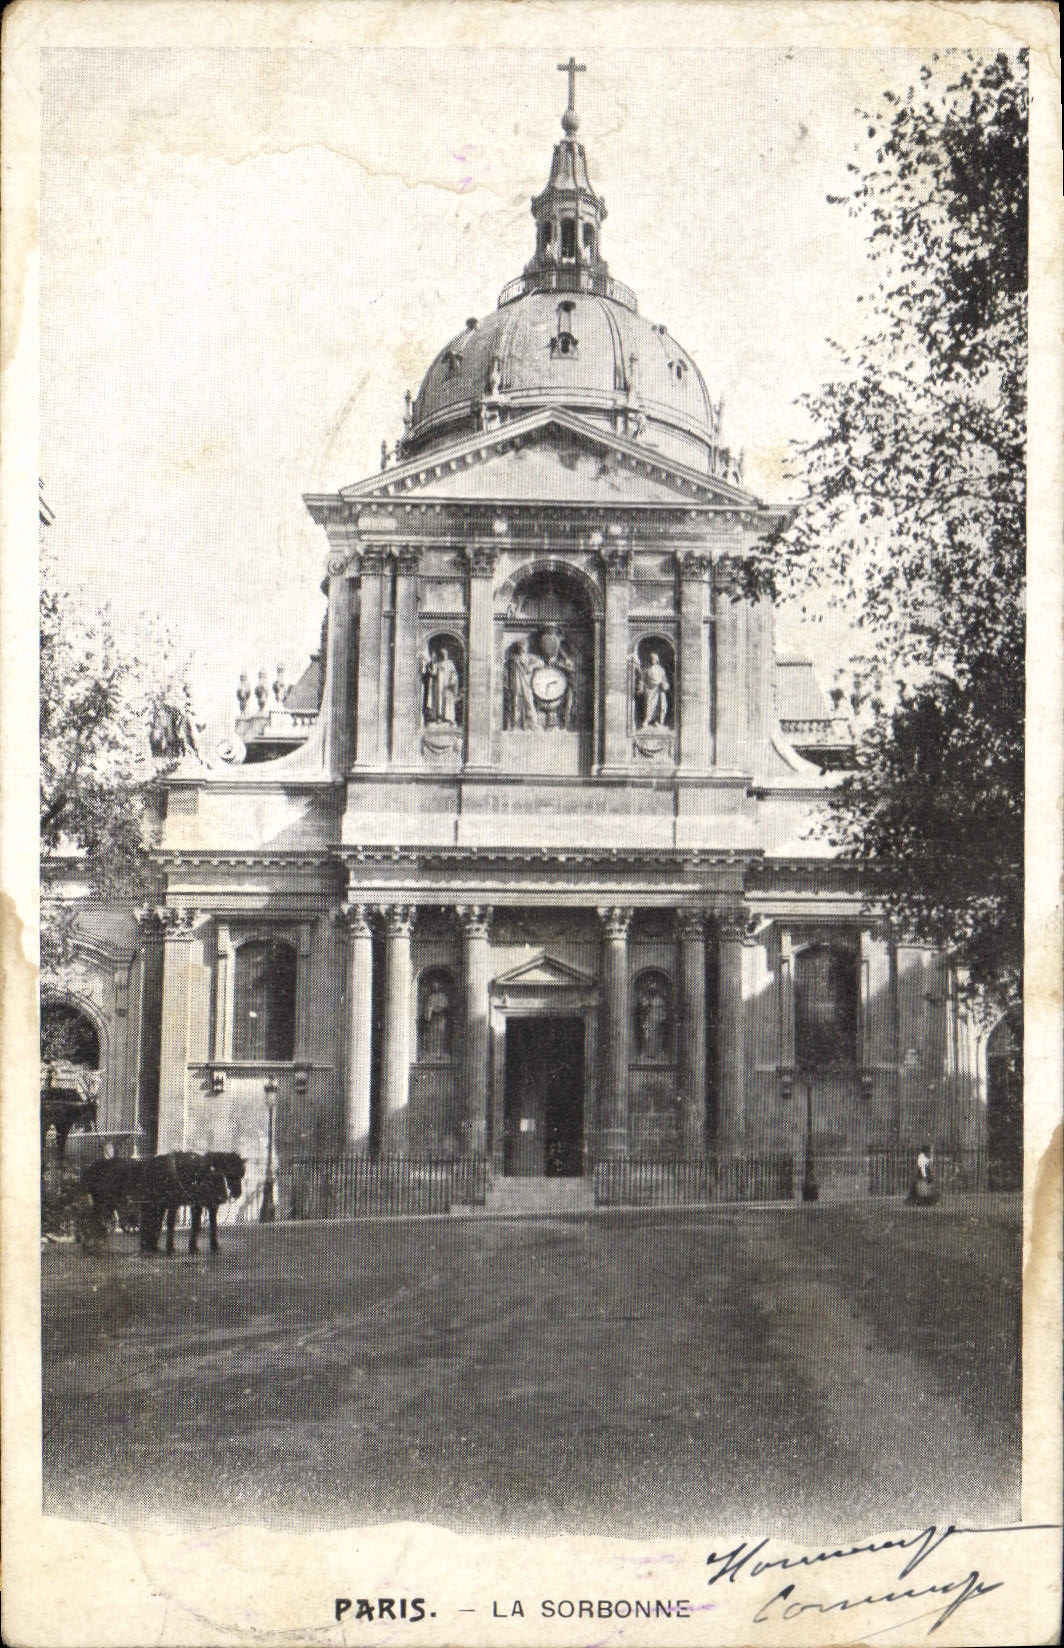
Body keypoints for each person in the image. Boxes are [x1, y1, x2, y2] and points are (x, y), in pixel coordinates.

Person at [505, 636, 542, 729]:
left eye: (524, 646)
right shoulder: (514, 659)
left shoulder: (530, 657)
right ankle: (514, 725)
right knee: (515, 704)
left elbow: (541, 663)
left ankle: (533, 724)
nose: (523, 648)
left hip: (527, 684)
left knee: (529, 703)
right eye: (521, 646)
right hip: (516, 685)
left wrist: (532, 666)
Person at [423, 644, 460, 724]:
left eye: (444, 654)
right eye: (442, 654)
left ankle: (448, 718)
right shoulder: (438, 664)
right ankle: (439, 717)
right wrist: (430, 670)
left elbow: (454, 674)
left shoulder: (450, 664)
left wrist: (452, 681)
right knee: (439, 700)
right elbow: (434, 673)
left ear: (447, 655)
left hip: (447, 686)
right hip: (438, 685)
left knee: (447, 701)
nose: (443, 655)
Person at [636, 650, 670, 728]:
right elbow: (642, 680)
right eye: (652, 658)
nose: (653, 660)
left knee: (661, 705)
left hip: (659, 690)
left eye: (655, 659)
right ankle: (647, 721)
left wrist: (665, 685)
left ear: (657, 660)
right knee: (649, 706)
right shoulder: (647, 670)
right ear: (650, 659)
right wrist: (641, 688)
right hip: (650, 690)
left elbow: (664, 680)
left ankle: (659, 722)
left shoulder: (661, 670)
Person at [907, 1142, 939, 1206]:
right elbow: (922, 1168)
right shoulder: (921, 1157)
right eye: (930, 1150)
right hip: (922, 1173)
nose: (931, 1152)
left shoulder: (930, 1156)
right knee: (921, 1187)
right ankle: (920, 1201)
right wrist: (925, 1176)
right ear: (926, 1151)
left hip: (928, 1171)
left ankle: (930, 1200)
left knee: (930, 1186)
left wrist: (931, 1173)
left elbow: (930, 1165)